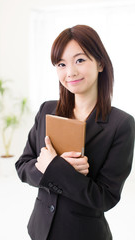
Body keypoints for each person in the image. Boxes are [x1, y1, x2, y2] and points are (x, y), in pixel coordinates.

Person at [15, 25, 135, 240]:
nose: (70, 72)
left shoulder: (121, 124)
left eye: (80, 60)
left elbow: (105, 198)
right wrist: (51, 167)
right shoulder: (46, 110)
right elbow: (23, 166)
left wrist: (53, 166)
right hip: (39, 230)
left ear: (100, 63)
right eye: (61, 64)